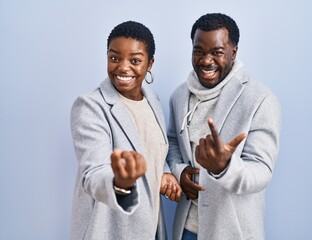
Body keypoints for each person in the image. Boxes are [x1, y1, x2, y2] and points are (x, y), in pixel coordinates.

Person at [166, 13, 281, 240]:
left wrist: (224, 167)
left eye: (217, 52)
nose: (206, 60)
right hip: (186, 228)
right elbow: (171, 142)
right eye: (199, 51)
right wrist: (179, 172)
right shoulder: (179, 95)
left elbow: (261, 171)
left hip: (231, 231)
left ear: (233, 52)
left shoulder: (260, 99)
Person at [70, 21, 181, 240]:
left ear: (150, 64)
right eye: (114, 58)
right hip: (109, 232)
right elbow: (92, 172)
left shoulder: (153, 101)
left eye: (135, 60)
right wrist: (118, 182)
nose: (123, 67)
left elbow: (151, 148)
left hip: (149, 229)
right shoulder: (90, 106)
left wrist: (165, 172)